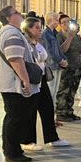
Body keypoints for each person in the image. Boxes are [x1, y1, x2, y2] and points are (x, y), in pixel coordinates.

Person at [0, 5, 40, 162]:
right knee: (16, 117)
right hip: (14, 84)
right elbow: (15, 59)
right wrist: (25, 80)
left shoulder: (9, 32)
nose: (20, 14)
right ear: (8, 18)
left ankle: (11, 149)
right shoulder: (12, 33)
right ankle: (12, 151)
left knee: (13, 116)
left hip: (10, 83)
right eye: (16, 13)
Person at [21, 17, 69, 151]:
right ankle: (27, 141)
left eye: (40, 27)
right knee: (31, 110)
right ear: (28, 29)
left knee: (47, 108)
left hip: (41, 78)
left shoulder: (38, 42)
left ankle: (52, 138)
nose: (40, 30)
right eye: (36, 27)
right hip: (31, 79)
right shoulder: (25, 44)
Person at [55, 14, 81, 122]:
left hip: (77, 66)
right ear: (60, 25)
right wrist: (69, 38)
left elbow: (79, 48)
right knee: (64, 91)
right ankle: (61, 113)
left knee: (72, 91)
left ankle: (69, 111)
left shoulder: (75, 35)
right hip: (66, 68)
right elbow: (61, 50)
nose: (66, 24)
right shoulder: (59, 36)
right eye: (64, 22)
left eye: (68, 21)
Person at [41, 12, 67, 121]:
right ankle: (49, 119)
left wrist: (63, 59)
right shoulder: (46, 34)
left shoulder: (54, 33)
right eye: (56, 20)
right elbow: (49, 51)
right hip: (51, 66)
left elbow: (58, 49)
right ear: (50, 20)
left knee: (55, 92)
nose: (58, 22)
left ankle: (54, 118)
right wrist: (60, 60)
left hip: (57, 65)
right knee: (51, 92)